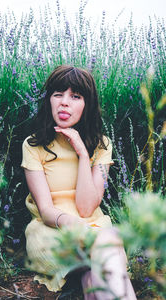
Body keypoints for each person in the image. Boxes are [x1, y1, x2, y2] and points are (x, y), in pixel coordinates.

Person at [21, 65, 137, 299]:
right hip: (52, 230)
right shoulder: (33, 145)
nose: (64, 102)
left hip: (92, 225)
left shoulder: (102, 145)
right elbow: (45, 210)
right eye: (58, 94)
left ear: (87, 105)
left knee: (93, 276)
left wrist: (83, 155)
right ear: (49, 101)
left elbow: (87, 208)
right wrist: (74, 225)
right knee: (104, 253)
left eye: (75, 96)